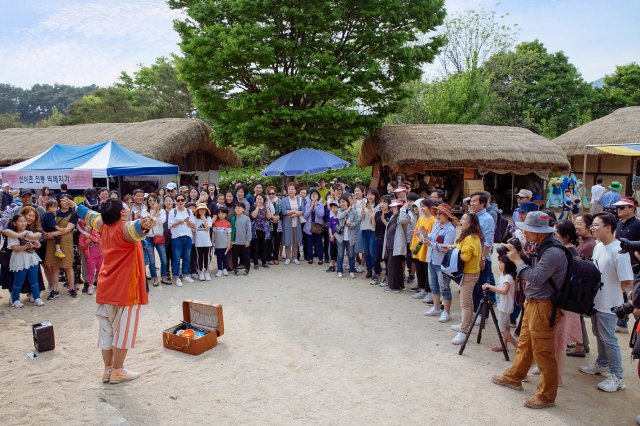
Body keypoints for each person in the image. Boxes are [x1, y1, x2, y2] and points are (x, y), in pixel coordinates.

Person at [71, 197, 154, 384]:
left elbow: (89, 215)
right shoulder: (124, 229)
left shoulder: (102, 225)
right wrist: (144, 225)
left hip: (106, 286)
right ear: (123, 213)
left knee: (106, 332)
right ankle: (118, 371)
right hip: (126, 289)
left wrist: (75, 206)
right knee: (122, 333)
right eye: (126, 207)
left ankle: (108, 370)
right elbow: (136, 229)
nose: (128, 208)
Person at [491, 211, 568, 409]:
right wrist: (520, 255)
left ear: (538, 231)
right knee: (525, 344)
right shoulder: (542, 247)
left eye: (527, 229)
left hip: (544, 306)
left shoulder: (552, 252)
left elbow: (534, 277)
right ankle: (514, 376)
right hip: (534, 303)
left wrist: (517, 259)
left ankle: (546, 395)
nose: (523, 232)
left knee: (543, 352)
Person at [580, 212, 633, 392]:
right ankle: (602, 364)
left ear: (608, 228)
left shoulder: (619, 251)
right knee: (598, 334)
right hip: (596, 302)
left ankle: (618, 377)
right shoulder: (599, 246)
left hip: (610, 304)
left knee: (609, 339)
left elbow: (626, 282)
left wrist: (613, 294)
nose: (592, 228)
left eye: (596, 225)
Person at [547, 220, 584, 386]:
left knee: (559, 342)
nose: (553, 236)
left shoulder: (566, 253)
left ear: (566, 237)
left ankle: (557, 377)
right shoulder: (572, 251)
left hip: (562, 303)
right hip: (568, 302)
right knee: (557, 341)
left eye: (556, 233)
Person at [448, 212, 484, 345]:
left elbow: (465, 257)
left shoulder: (470, 238)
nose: (461, 221)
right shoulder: (469, 236)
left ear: (471, 224)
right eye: (461, 218)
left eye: (464, 219)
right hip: (467, 273)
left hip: (469, 274)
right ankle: (466, 324)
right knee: (468, 302)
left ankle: (463, 331)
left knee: (465, 303)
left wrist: (454, 252)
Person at [568, 213, 596, 357]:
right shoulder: (582, 241)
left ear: (588, 226)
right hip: (578, 285)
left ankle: (580, 345)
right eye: (575, 223)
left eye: (579, 223)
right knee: (577, 316)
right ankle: (581, 343)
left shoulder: (589, 244)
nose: (576, 226)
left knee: (578, 315)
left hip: (581, 286)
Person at [422, 202, 456, 318]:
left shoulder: (450, 229)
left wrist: (430, 243)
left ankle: (446, 312)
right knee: (433, 285)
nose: (437, 215)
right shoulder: (437, 225)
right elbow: (430, 239)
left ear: (447, 215)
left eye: (440, 213)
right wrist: (425, 236)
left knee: (444, 287)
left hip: (442, 262)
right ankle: (436, 308)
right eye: (436, 213)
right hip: (431, 259)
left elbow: (447, 247)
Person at [612, 197, 640, 333]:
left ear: (632, 209)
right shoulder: (619, 223)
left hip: (634, 265)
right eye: (618, 207)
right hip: (621, 263)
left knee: (635, 296)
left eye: (622, 207)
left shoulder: (637, 225)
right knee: (622, 293)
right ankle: (622, 322)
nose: (619, 209)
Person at [43, 194, 78, 299]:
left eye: (67, 200)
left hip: (65, 241)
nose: (65, 203)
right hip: (53, 242)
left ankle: (72, 288)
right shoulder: (53, 213)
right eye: (63, 201)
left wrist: (52, 234)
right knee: (54, 267)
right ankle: (54, 290)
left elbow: (68, 229)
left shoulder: (73, 214)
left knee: (68, 266)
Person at [469, 191, 496, 318]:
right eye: (471, 201)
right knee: (473, 288)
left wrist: (483, 259)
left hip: (481, 258)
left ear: (483, 203)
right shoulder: (472, 216)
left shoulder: (487, 219)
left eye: (474, 201)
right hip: (471, 258)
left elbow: (488, 242)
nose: (471, 203)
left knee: (482, 288)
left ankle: (483, 315)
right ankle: (476, 312)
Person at [481, 255, 518, 350]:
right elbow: (498, 288)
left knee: (501, 328)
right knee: (506, 326)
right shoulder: (504, 276)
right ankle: (504, 345)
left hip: (505, 306)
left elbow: (504, 291)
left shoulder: (508, 277)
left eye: (502, 263)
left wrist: (490, 287)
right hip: (504, 305)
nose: (499, 265)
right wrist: (490, 285)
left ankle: (518, 347)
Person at [7, 214, 44, 308]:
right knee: (18, 281)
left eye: (24, 221)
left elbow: (38, 244)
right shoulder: (12, 235)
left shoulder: (29, 232)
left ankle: (37, 298)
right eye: (20, 221)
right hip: (19, 259)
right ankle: (15, 299)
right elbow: (15, 248)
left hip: (31, 259)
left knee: (34, 280)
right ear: (15, 223)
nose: (23, 223)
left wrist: (36, 244)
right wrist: (26, 246)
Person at [168, 193, 196, 287]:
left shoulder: (189, 211)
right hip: (177, 237)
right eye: (178, 200)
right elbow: (170, 225)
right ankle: (176, 276)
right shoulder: (173, 211)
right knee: (176, 258)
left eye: (182, 200)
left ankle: (184, 275)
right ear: (175, 201)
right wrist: (179, 222)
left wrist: (187, 221)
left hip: (187, 236)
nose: (180, 202)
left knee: (186, 257)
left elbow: (193, 225)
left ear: (185, 201)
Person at [381, 199, 410, 292]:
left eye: (395, 207)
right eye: (392, 207)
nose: (392, 208)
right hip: (391, 246)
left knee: (392, 266)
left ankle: (393, 287)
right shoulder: (394, 216)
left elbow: (402, 220)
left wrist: (403, 209)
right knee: (396, 266)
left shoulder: (404, 217)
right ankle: (399, 285)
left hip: (397, 246)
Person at [410, 198, 435, 301]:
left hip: (426, 249)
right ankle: (422, 289)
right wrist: (413, 248)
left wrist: (422, 235)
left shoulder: (433, 220)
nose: (422, 208)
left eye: (424, 206)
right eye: (421, 206)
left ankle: (429, 291)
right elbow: (416, 234)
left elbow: (431, 236)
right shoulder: (420, 219)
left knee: (426, 270)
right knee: (419, 269)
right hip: (419, 248)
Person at [143, 193, 169, 286]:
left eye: (154, 200)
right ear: (147, 202)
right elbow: (148, 222)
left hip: (159, 236)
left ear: (158, 201)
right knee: (152, 260)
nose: (152, 202)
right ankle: (154, 278)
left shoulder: (162, 211)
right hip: (149, 237)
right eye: (150, 200)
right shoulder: (144, 211)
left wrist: (157, 211)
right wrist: (154, 213)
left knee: (164, 259)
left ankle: (163, 277)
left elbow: (162, 221)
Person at [334, 195, 359, 279]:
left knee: (351, 256)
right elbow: (339, 217)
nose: (341, 204)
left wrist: (350, 224)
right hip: (341, 237)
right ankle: (339, 271)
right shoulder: (340, 211)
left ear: (347, 202)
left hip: (350, 237)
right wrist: (347, 211)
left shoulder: (354, 212)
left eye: (343, 202)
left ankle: (352, 271)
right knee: (340, 256)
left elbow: (356, 223)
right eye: (340, 203)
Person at [78, 219, 103, 295]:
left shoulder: (94, 232)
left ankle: (101, 284)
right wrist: (88, 241)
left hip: (99, 254)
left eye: (89, 225)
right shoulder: (82, 235)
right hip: (90, 255)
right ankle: (89, 286)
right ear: (82, 227)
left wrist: (89, 237)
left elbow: (97, 239)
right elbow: (82, 246)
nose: (88, 227)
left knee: (101, 270)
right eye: (85, 225)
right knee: (91, 271)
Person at [372, 196, 393, 286]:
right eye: (381, 202)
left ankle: (387, 278)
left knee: (386, 259)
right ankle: (377, 275)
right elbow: (374, 226)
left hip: (386, 239)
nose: (382, 204)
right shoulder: (377, 213)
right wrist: (372, 217)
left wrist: (384, 220)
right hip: (377, 238)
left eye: (384, 202)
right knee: (375, 259)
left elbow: (390, 227)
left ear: (389, 204)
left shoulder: (391, 214)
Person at [281, 183, 303, 265]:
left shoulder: (299, 199)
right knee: (287, 240)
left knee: (295, 240)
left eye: (292, 189)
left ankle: (294, 257)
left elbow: (302, 210)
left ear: (295, 190)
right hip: (287, 222)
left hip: (296, 222)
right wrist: (294, 211)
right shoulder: (284, 200)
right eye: (289, 189)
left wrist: (297, 214)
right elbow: (284, 211)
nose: (290, 190)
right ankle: (287, 257)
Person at [360, 188, 380, 279]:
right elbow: (360, 217)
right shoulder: (364, 204)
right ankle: (369, 270)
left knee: (372, 252)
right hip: (364, 230)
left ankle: (377, 270)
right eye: (368, 194)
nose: (369, 196)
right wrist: (363, 209)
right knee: (366, 252)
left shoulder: (378, 206)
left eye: (372, 195)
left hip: (373, 231)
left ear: (375, 196)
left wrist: (370, 208)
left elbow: (376, 217)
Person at [250, 194, 272, 269]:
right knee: (255, 247)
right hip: (255, 229)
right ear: (255, 200)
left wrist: (267, 208)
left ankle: (264, 262)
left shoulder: (266, 207)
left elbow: (269, 217)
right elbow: (253, 216)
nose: (259, 200)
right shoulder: (253, 206)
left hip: (264, 229)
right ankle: (256, 263)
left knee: (264, 247)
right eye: (258, 199)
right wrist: (258, 207)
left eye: (261, 199)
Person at [303, 189, 324, 265]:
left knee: (319, 243)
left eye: (315, 194)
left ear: (318, 197)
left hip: (317, 228)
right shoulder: (307, 205)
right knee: (309, 243)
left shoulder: (321, 205)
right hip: (308, 227)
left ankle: (320, 259)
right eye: (312, 195)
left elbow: (321, 214)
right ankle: (310, 258)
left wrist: (315, 207)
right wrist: (311, 207)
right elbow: (305, 216)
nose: (314, 196)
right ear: (310, 197)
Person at [193, 203, 213, 281]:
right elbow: (194, 229)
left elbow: (207, 228)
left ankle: (207, 271)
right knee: (199, 257)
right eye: (200, 210)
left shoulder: (208, 219)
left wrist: (204, 219)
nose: (201, 211)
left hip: (207, 241)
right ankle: (200, 271)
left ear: (206, 211)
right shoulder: (195, 219)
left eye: (203, 210)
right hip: (198, 241)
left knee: (207, 257)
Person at [231, 203, 251, 275]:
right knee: (235, 256)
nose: (237, 209)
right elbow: (231, 230)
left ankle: (247, 268)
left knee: (246, 256)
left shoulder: (246, 218)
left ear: (243, 209)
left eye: (239, 208)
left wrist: (248, 240)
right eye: (236, 208)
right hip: (235, 241)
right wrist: (231, 240)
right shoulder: (233, 218)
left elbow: (248, 230)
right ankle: (235, 268)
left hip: (244, 241)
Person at [265, 186, 282, 265]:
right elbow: (264, 212)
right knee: (269, 242)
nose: (271, 195)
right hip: (269, 223)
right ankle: (269, 257)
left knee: (277, 242)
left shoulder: (278, 200)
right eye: (269, 193)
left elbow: (282, 212)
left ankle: (276, 257)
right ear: (267, 193)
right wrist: (272, 217)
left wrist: (277, 217)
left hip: (278, 224)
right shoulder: (265, 201)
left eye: (273, 193)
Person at [352, 185, 367, 273]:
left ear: (363, 192)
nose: (356, 193)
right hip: (354, 225)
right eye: (355, 191)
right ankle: (352, 263)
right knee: (353, 245)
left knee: (362, 245)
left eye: (358, 191)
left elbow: (362, 215)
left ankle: (362, 265)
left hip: (362, 225)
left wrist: (355, 205)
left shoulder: (365, 201)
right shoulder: (354, 201)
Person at [212, 207, 231, 277]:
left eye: (223, 213)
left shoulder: (228, 223)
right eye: (219, 213)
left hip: (225, 243)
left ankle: (224, 268)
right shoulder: (215, 223)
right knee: (219, 257)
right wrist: (212, 242)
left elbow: (229, 234)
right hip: (217, 244)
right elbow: (213, 233)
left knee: (225, 256)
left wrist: (228, 243)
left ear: (226, 215)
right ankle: (219, 269)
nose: (221, 215)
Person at [326, 202, 339, 273]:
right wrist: (331, 236)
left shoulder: (340, 218)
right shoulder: (331, 218)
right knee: (332, 252)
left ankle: (340, 266)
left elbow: (340, 228)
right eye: (332, 208)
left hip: (338, 238)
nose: (333, 209)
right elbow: (329, 227)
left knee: (339, 252)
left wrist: (334, 235)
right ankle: (332, 266)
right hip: (332, 239)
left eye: (335, 207)